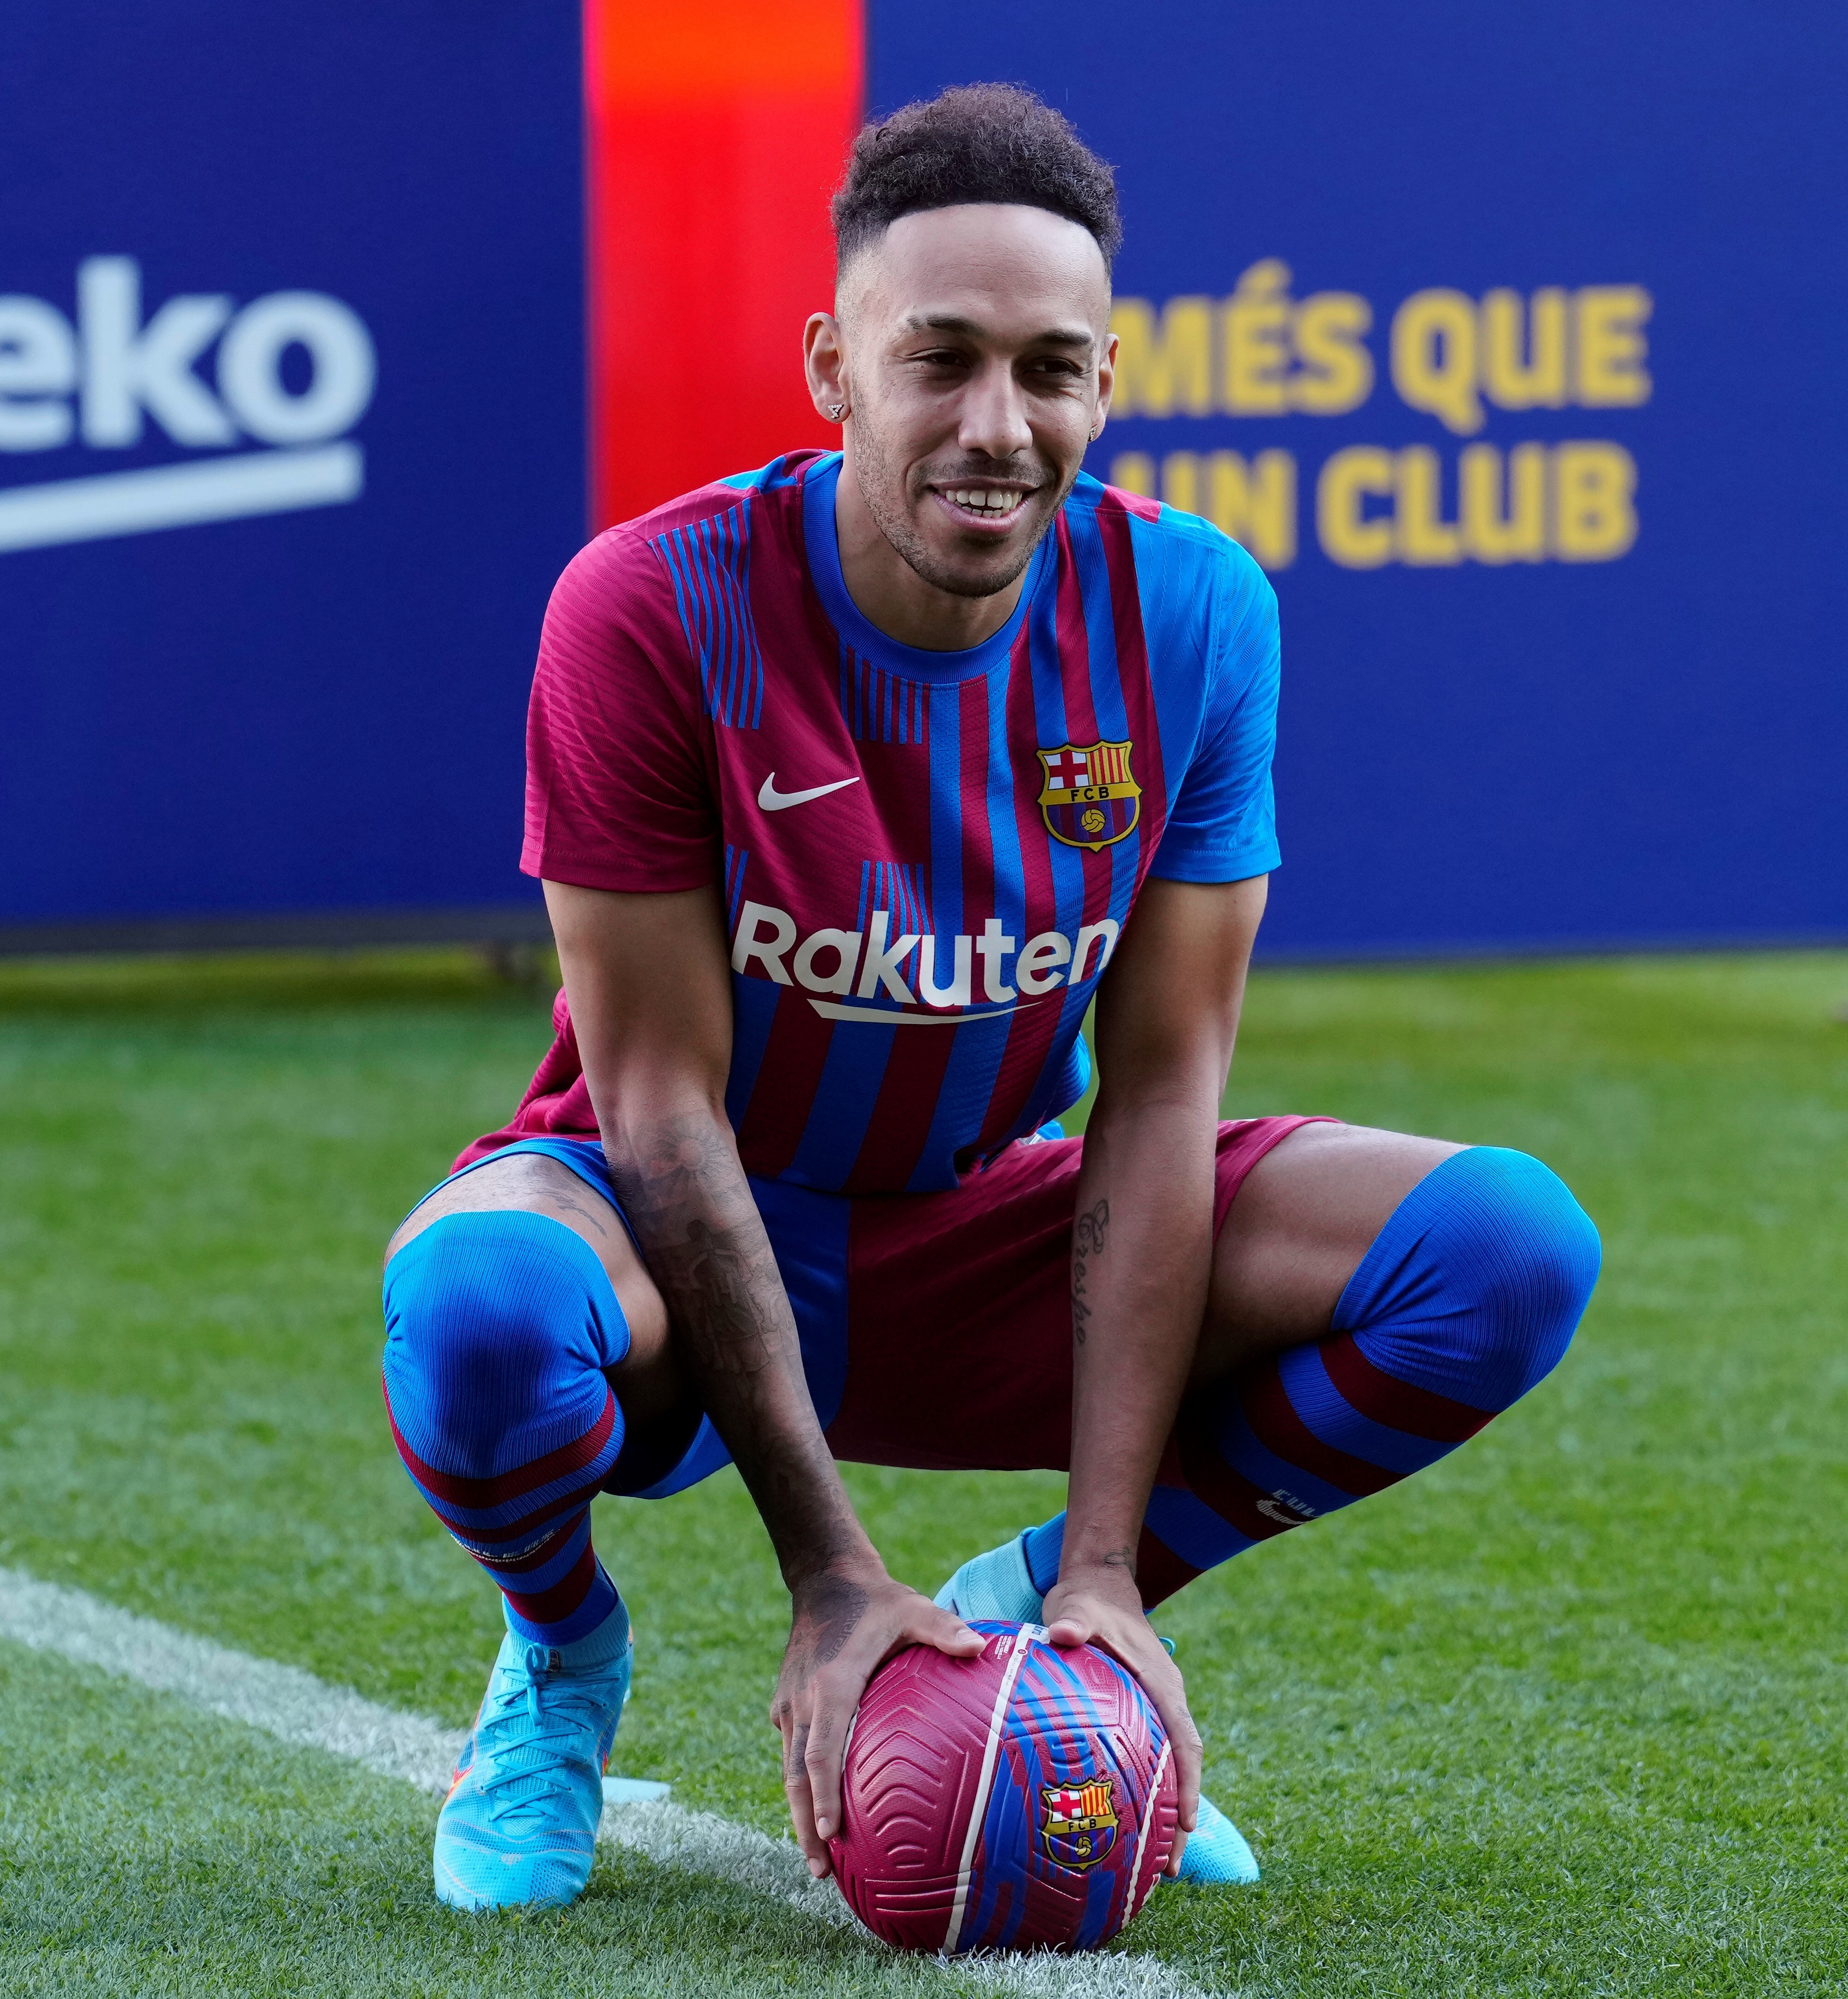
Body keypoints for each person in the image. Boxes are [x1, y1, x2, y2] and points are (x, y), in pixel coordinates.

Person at [379, 82, 1602, 1924]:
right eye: (936, 359)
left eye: (1050, 369)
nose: (995, 423)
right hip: (668, 1212)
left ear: (1106, 383)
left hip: (976, 1226)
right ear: (830, 365)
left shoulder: (1188, 609)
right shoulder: (644, 606)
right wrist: (829, 1579)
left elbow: (1165, 1086)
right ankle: (557, 1661)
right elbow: (652, 1103)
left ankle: (1046, 1631)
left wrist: (1105, 1565)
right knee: (476, 1313)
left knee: (1504, 1247)